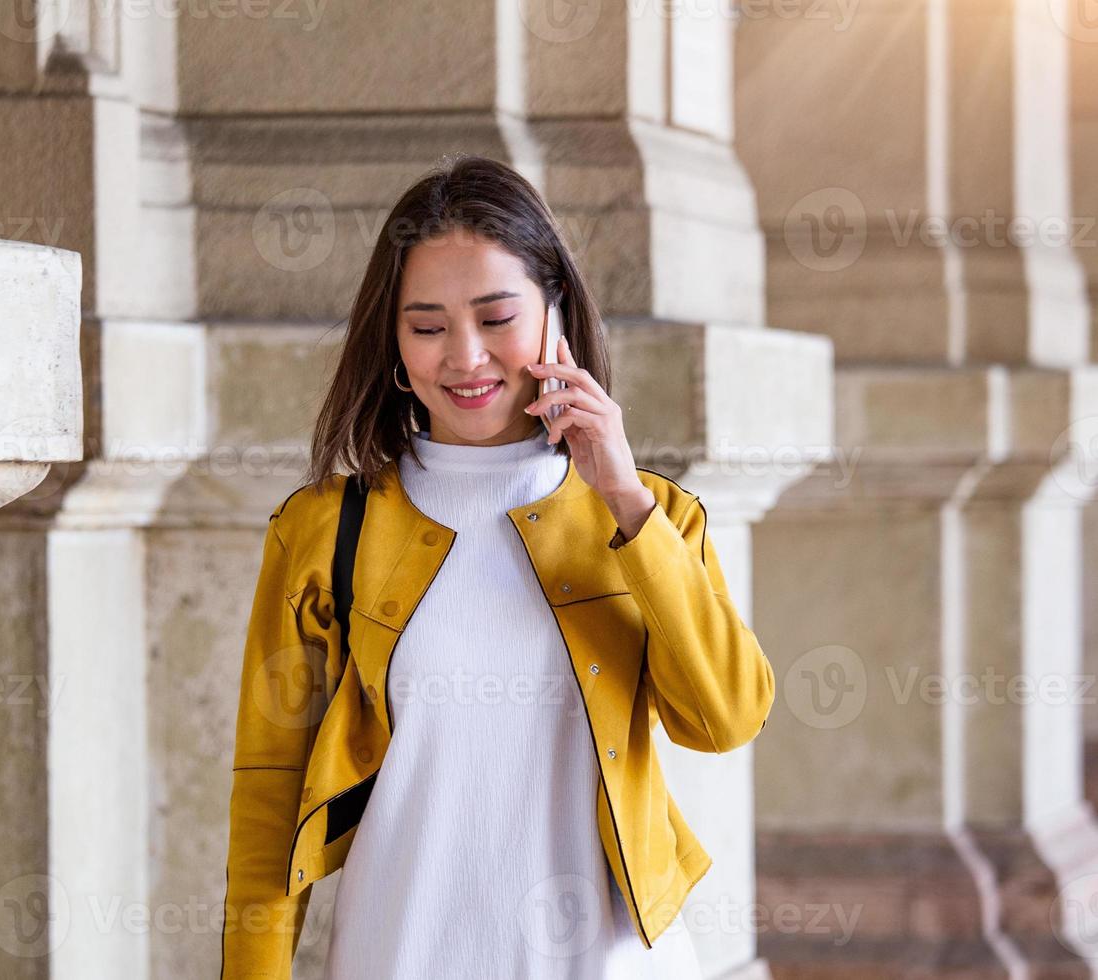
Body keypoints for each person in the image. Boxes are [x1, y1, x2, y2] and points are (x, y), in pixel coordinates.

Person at [220, 154, 775, 980]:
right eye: (428, 325)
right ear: (394, 341)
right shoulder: (321, 532)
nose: (465, 358)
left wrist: (623, 496)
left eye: (496, 317)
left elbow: (725, 717)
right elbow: (268, 802)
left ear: (556, 314)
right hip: (397, 954)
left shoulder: (655, 518)